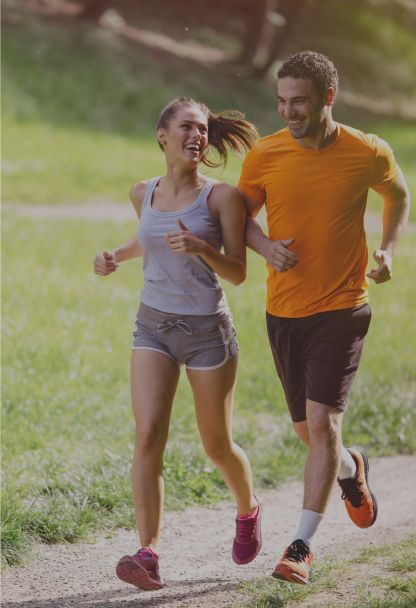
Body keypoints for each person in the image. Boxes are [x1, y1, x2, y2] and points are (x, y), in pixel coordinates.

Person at [238, 51, 410, 585]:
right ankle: (350, 470)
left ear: (327, 98)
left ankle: (301, 546)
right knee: (307, 432)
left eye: (300, 102)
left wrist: (388, 250)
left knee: (321, 423)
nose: (289, 111)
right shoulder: (265, 154)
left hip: (343, 306)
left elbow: (398, 195)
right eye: (282, 101)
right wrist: (266, 246)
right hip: (284, 309)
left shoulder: (366, 150)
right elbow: (239, 218)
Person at [93, 97, 263, 591]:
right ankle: (148, 553)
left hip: (208, 332)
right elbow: (149, 238)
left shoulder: (221, 198)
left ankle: (248, 509)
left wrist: (203, 249)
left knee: (217, 445)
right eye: (187, 126)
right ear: (162, 134)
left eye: (204, 129)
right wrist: (115, 256)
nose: (198, 135)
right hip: (154, 326)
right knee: (148, 435)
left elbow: (238, 272)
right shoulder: (141, 192)